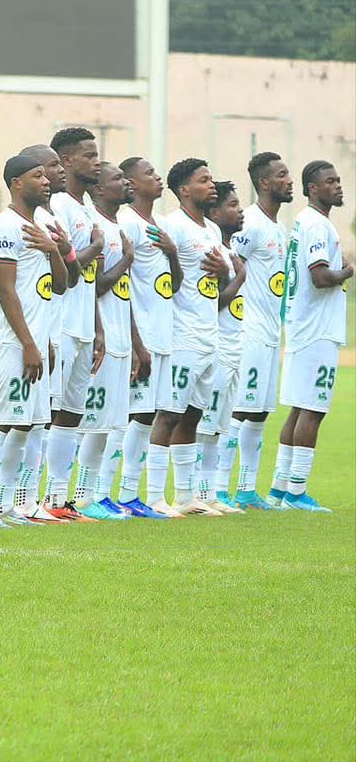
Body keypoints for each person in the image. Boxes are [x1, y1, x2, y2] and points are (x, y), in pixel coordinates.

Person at [0, 155, 68, 527]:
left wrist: (54, 250)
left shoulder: (41, 225)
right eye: (37, 175)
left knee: (27, 426)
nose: (46, 181)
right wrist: (28, 343)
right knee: (1, 422)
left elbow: (61, 285)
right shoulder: (6, 225)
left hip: (37, 342)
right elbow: (5, 289)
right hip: (13, 342)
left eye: (46, 175)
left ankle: (4, 506)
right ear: (16, 182)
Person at [147, 158, 233, 517]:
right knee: (168, 413)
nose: (211, 186)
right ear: (184, 190)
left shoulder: (212, 229)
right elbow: (165, 282)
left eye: (211, 179)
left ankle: (186, 497)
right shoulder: (172, 225)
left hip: (209, 336)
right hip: (182, 336)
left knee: (194, 415)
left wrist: (224, 270)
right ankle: (153, 496)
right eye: (203, 180)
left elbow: (222, 287)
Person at [74, 162, 156, 518]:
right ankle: (77, 496)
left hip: (122, 337)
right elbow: (98, 284)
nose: (125, 183)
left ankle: (99, 495)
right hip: (100, 336)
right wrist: (127, 259)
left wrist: (137, 344)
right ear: (100, 190)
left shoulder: (118, 226)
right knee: (89, 423)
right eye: (118, 179)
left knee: (110, 424)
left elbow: (125, 296)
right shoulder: (98, 226)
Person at [270, 161, 350, 511]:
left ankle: (279, 488)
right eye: (330, 182)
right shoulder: (318, 225)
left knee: (300, 408)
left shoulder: (304, 221)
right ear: (312, 188)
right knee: (313, 410)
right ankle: (297, 493)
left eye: (339, 180)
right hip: (317, 329)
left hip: (303, 326)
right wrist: (347, 270)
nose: (338, 186)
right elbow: (320, 277)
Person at [115, 157, 185, 517]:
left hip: (163, 334)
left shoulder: (156, 224)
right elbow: (125, 286)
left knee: (146, 416)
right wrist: (136, 342)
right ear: (130, 183)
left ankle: (130, 495)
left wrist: (173, 255)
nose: (158, 178)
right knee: (130, 415)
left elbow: (173, 286)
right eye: (149, 174)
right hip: (139, 336)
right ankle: (116, 494)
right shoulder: (127, 221)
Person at [45, 127, 108, 517]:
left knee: (73, 413)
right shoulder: (60, 208)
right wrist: (96, 247)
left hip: (85, 324)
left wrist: (99, 328)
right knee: (50, 413)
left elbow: (87, 280)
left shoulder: (85, 209)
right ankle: (30, 498)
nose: (96, 162)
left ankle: (57, 498)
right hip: (62, 325)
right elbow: (64, 270)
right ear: (67, 161)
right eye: (89, 155)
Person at [227, 152, 291, 509]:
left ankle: (247, 489)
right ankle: (220, 487)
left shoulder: (278, 227)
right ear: (264, 183)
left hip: (270, 332)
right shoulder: (248, 223)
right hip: (248, 329)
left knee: (261, 411)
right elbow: (230, 263)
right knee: (240, 409)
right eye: (282, 175)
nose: (289, 180)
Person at [194, 181, 246, 513]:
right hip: (218, 344)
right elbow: (217, 302)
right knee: (205, 425)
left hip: (235, 347)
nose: (239, 210)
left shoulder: (232, 252)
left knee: (219, 426)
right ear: (215, 213)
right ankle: (198, 492)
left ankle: (211, 492)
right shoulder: (218, 254)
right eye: (232, 205)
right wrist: (240, 276)